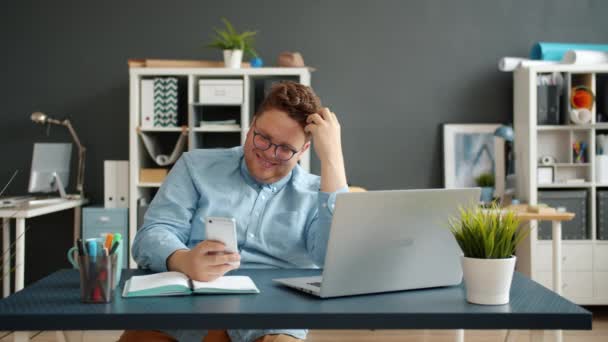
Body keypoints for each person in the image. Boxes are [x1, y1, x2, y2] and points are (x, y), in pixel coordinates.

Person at [119, 81, 348, 342]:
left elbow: (333, 261)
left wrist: (333, 159)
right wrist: (182, 259)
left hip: (273, 320)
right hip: (186, 311)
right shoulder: (195, 166)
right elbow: (152, 233)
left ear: (304, 149)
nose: (269, 154)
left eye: (285, 148)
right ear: (251, 125)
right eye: (262, 138)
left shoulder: (317, 194)